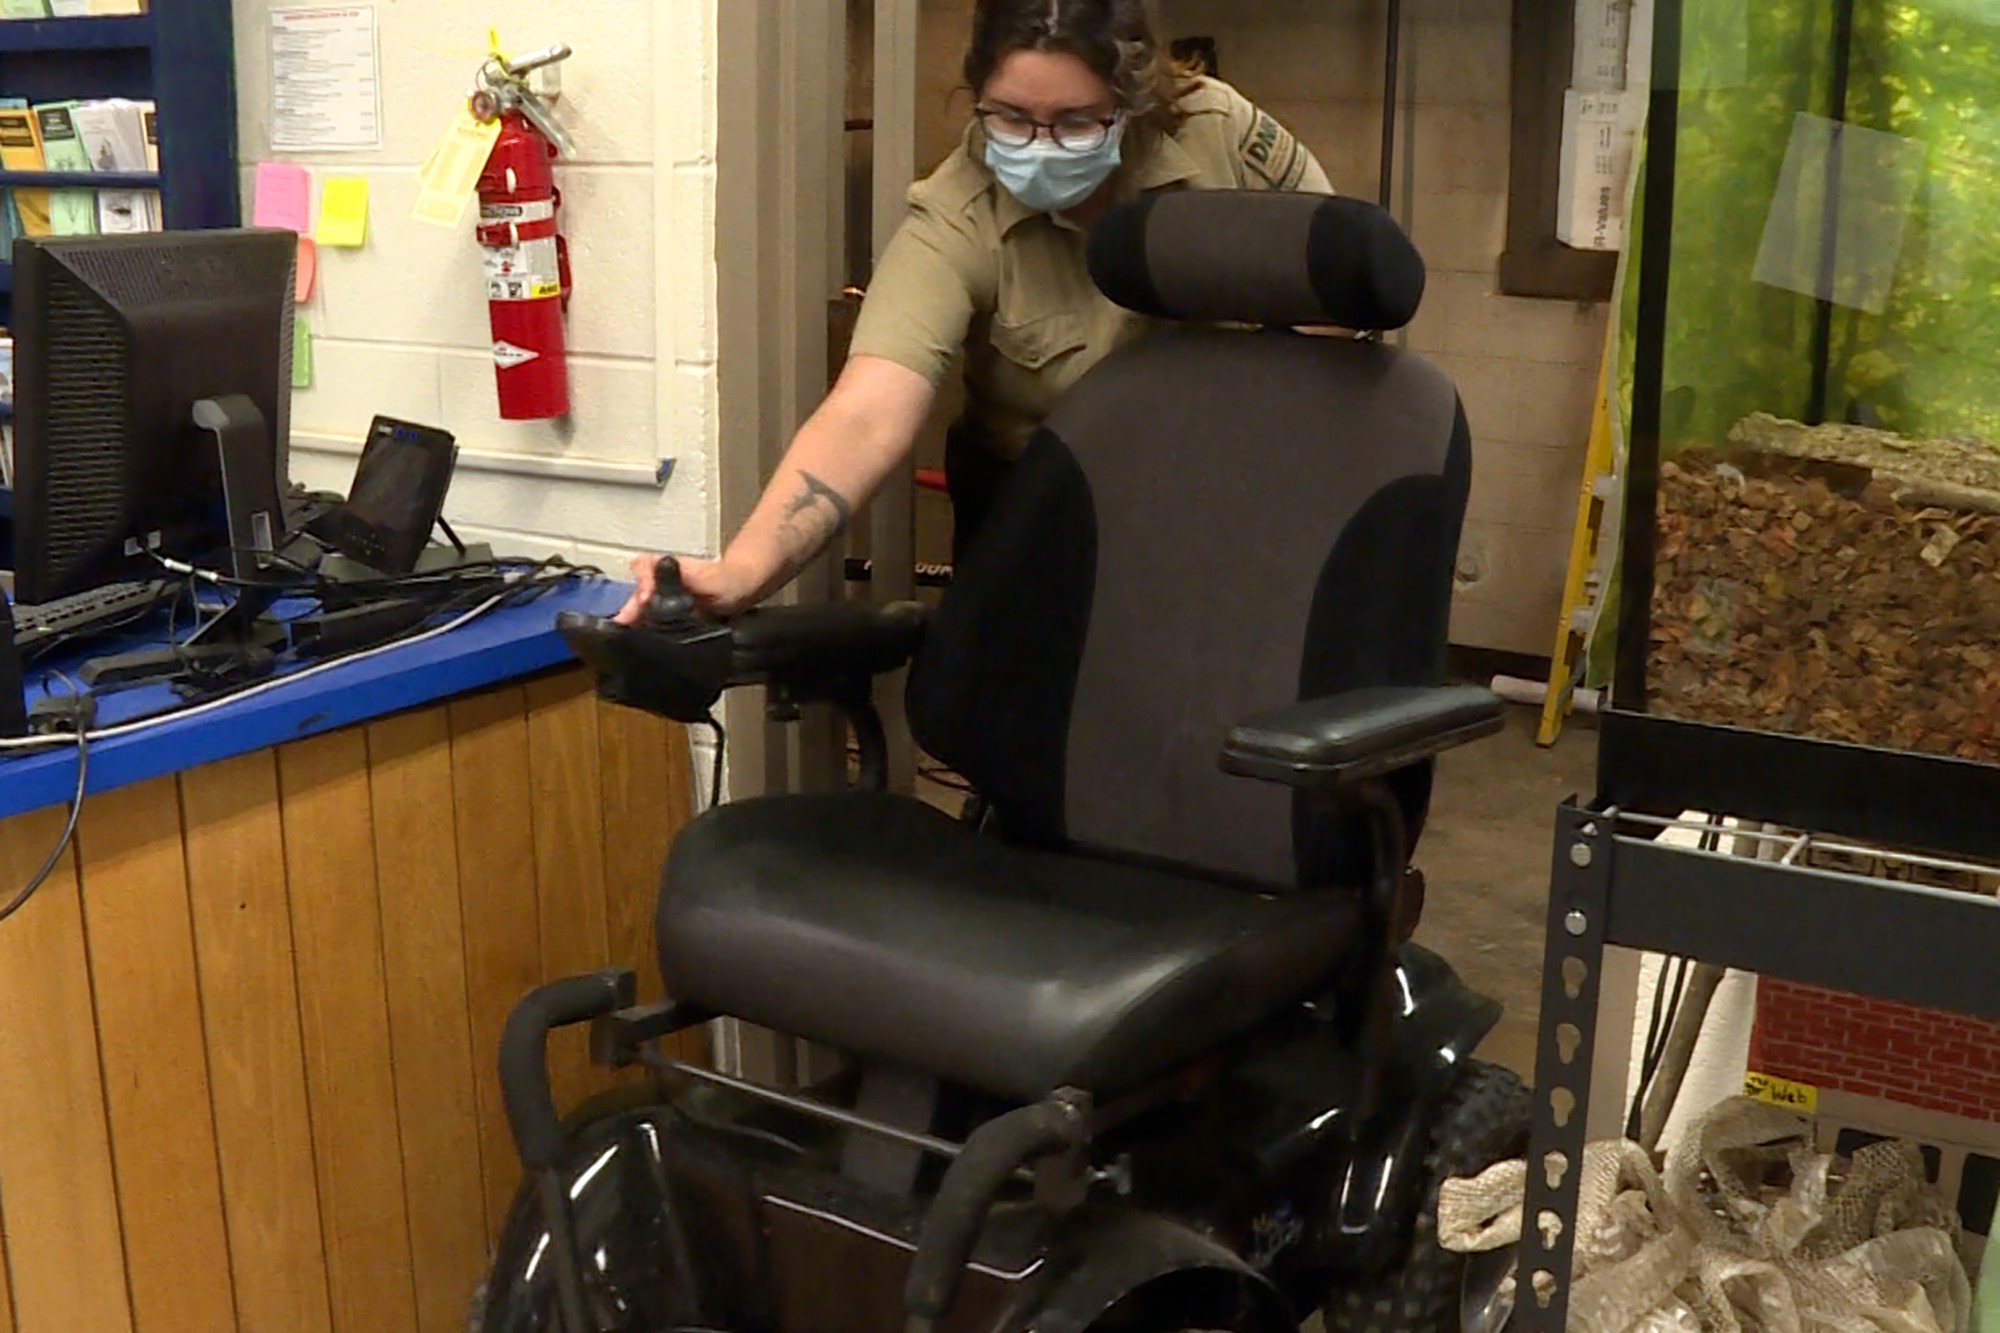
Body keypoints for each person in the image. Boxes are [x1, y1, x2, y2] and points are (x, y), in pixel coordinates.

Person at [617, 0, 1332, 624]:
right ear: (977, 96)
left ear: (1131, 101)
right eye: (1012, 118)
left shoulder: (1213, 129)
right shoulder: (959, 211)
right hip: (1040, 510)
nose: (1041, 146)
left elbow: (1332, 283)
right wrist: (740, 572)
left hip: (1212, 489)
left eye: (1077, 122)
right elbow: (866, 411)